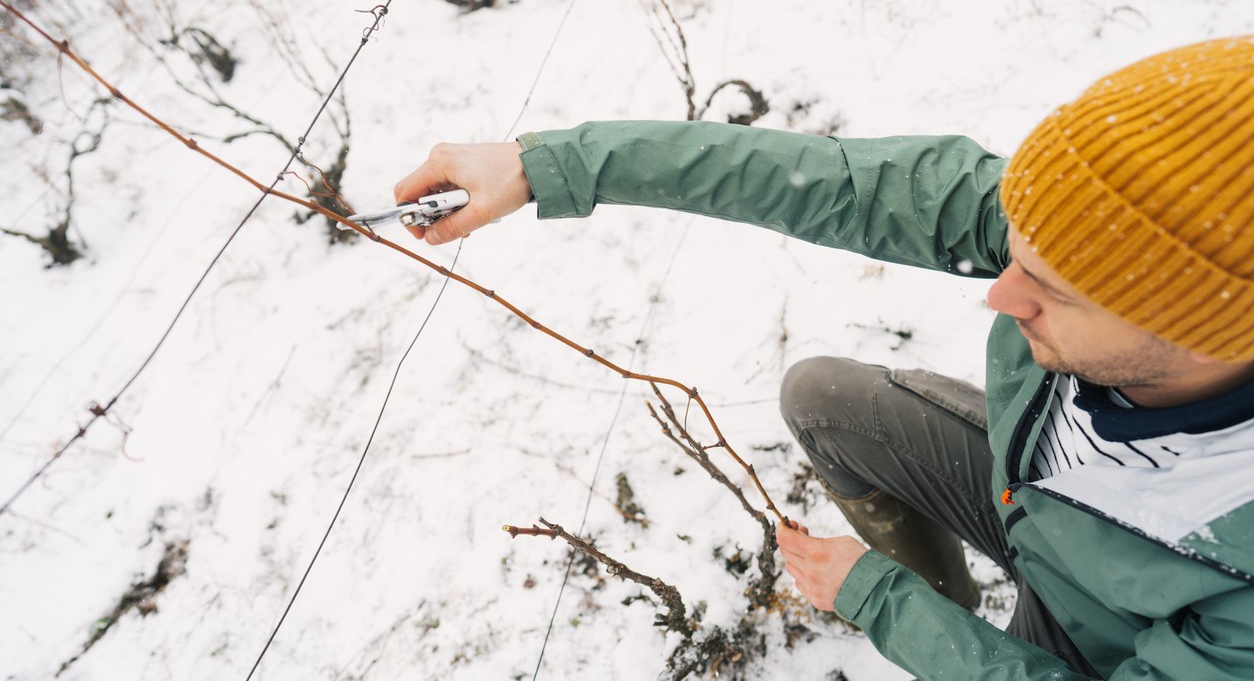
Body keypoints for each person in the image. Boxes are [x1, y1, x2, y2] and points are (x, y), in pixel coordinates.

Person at [393, 37, 1254, 679]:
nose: (1000, 290)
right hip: (1032, 498)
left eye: (1054, 291)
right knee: (823, 400)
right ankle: (961, 612)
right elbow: (828, 181)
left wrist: (886, 605)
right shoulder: (1085, 236)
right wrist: (550, 167)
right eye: (1012, 249)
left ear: (1210, 333)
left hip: (1105, 644)